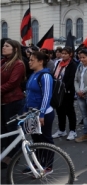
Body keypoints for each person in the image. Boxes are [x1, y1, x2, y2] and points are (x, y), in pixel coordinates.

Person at [24, 51, 55, 173]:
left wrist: (41, 114)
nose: (29, 62)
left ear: (41, 61)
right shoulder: (33, 74)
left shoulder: (45, 76)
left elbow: (47, 96)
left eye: (32, 60)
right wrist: (25, 111)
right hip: (32, 113)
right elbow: (29, 94)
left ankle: (48, 166)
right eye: (29, 60)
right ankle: (37, 164)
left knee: (46, 141)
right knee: (36, 141)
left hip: (44, 114)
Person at [1, 40, 26, 169]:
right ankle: (6, 153)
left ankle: (13, 156)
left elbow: (12, 83)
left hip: (13, 101)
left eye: (7, 46)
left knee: (13, 131)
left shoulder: (18, 64)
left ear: (15, 49)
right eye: (3, 45)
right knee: (3, 130)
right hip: (3, 101)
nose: (3, 47)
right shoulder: (3, 62)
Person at [51, 46, 78, 141]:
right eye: (62, 53)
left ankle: (72, 130)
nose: (63, 55)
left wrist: (64, 87)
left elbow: (72, 78)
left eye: (65, 53)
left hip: (67, 91)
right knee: (60, 110)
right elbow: (55, 74)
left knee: (69, 111)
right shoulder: (59, 63)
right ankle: (61, 130)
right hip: (58, 91)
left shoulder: (72, 64)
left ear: (70, 54)